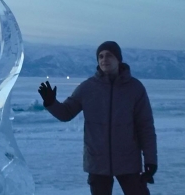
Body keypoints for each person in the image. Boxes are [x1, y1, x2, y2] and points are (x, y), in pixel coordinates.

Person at [38, 41, 157, 195]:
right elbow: (66, 113)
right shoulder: (88, 88)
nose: (104, 59)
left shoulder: (135, 88)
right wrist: (51, 102)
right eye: (100, 56)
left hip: (128, 161)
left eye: (109, 55)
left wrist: (151, 160)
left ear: (118, 59)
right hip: (97, 162)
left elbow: (145, 127)